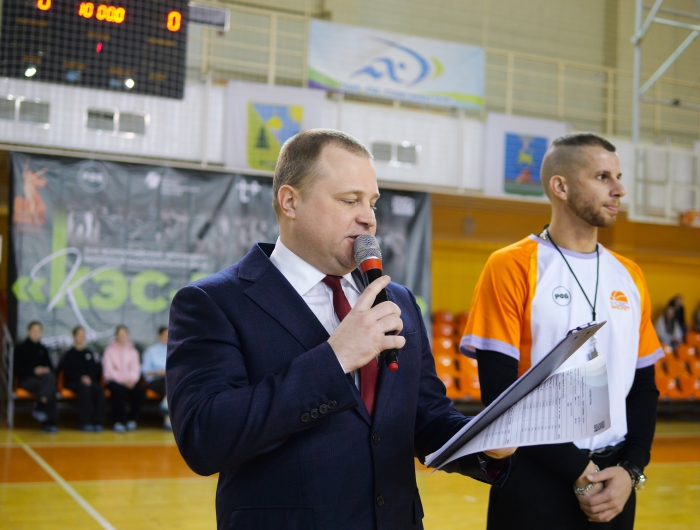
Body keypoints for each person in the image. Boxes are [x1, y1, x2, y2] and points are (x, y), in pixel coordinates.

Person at [167, 129, 514, 530]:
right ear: (290, 202)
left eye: (372, 202)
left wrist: (485, 441)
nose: (369, 217)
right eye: (350, 200)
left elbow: (427, 418)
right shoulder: (213, 302)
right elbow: (205, 437)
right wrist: (335, 359)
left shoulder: (397, 300)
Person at [461, 133, 662, 530]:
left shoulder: (630, 275)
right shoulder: (511, 265)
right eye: (602, 176)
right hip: (534, 475)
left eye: (619, 177)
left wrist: (631, 469)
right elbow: (500, 391)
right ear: (561, 186)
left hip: (615, 483)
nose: (619, 189)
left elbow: (644, 386)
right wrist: (579, 469)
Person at [13, 321, 58, 433]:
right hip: (26, 380)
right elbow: (17, 369)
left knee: (49, 380)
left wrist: (45, 369)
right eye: (33, 331)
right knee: (49, 387)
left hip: (43, 380)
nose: (35, 333)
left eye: (38, 331)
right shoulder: (21, 348)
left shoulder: (43, 349)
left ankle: (41, 406)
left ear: (41, 333)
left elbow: (50, 367)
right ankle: (49, 422)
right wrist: (33, 371)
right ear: (29, 332)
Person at [59, 326, 106, 431]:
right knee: (85, 390)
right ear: (74, 336)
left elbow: (94, 369)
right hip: (74, 382)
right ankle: (84, 422)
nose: (81, 337)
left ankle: (98, 422)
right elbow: (67, 372)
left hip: (89, 380)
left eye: (83, 335)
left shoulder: (89, 353)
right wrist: (81, 378)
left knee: (99, 390)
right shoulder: (68, 354)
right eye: (79, 335)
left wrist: (89, 378)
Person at [102, 325, 145, 432]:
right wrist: (123, 380)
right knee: (118, 390)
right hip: (113, 380)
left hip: (130, 381)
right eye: (119, 335)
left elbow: (135, 368)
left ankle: (132, 420)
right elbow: (109, 370)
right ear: (116, 336)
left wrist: (131, 379)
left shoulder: (133, 351)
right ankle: (118, 421)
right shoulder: (109, 351)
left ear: (128, 335)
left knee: (139, 391)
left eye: (124, 334)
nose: (122, 337)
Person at [141, 326, 170, 429]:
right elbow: (145, 371)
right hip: (155, 380)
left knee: (172, 384)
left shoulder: (174, 350)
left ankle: (165, 407)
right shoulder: (151, 351)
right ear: (159, 336)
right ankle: (167, 420)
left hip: (169, 380)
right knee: (169, 385)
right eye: (164, 335)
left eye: (169, 336)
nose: (167, 338)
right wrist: (158, 373)